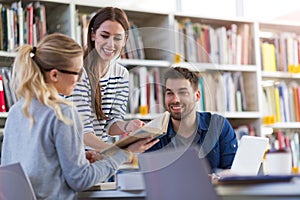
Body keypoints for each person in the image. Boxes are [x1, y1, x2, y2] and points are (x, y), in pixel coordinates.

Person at [0, 33, 156, 200]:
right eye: (76, 73)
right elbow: (81, 180)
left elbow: (35, 167)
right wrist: (124, 153)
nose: (80, 79)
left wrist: (78, 158)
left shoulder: (17, 110)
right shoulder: (63, 112)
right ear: (54, 75)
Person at [67, 7, 145, 150]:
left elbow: (111, 124)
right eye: (105, 36)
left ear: (125, 40)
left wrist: (128, 126)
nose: (111, 44)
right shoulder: (77, 72)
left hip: (99, 157)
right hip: (74, 157)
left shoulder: (121, 74)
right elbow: (83, 132)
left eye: (117, 38)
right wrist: (117, 153)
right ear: (93, 35)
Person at [146, 67, 238, 172]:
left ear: (197, 96)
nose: (175, 99)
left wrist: (213, 178)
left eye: (183, 92)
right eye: (170, 93)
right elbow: (152, 180)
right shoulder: (154, 133)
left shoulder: (219, 126)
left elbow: (233, 172)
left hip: (214, 188)